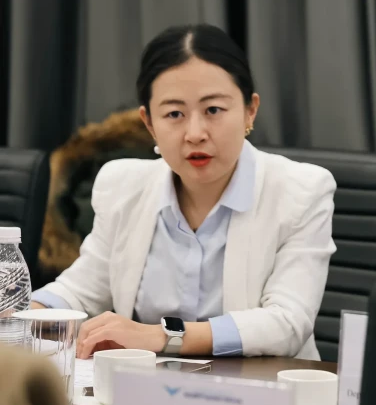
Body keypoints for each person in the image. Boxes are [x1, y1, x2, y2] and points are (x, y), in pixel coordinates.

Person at [31, 24, 336, 360]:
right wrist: (22, 314)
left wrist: (161, 336)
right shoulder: (122, 186)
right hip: (144, 385)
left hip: (261, 387)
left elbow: (287, 324)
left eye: (213, 110)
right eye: (174, 114)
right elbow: (81, 290)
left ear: (250, 110)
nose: (195, 133)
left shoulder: (301, 192)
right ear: (149, 123)